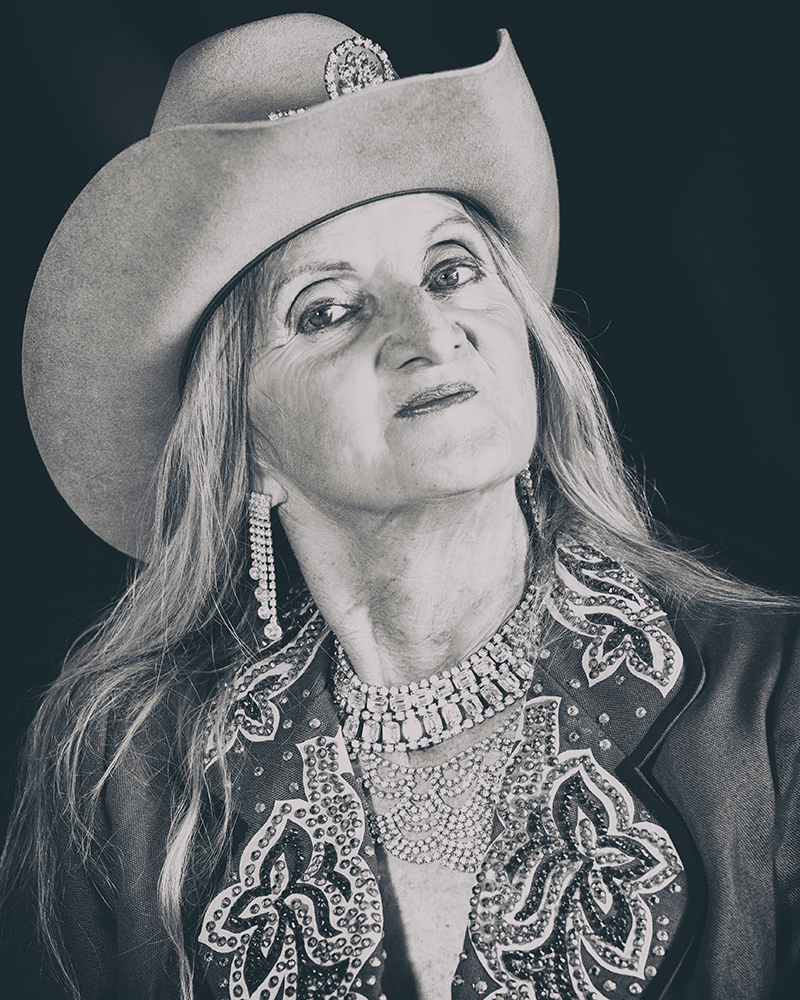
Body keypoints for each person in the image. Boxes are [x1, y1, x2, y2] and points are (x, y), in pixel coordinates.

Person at [1, 12, 797, 1000]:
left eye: (451, 269)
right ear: (243, 447)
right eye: (328, 308)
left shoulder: (773, 704)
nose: (428, 332)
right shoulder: (125, 784)